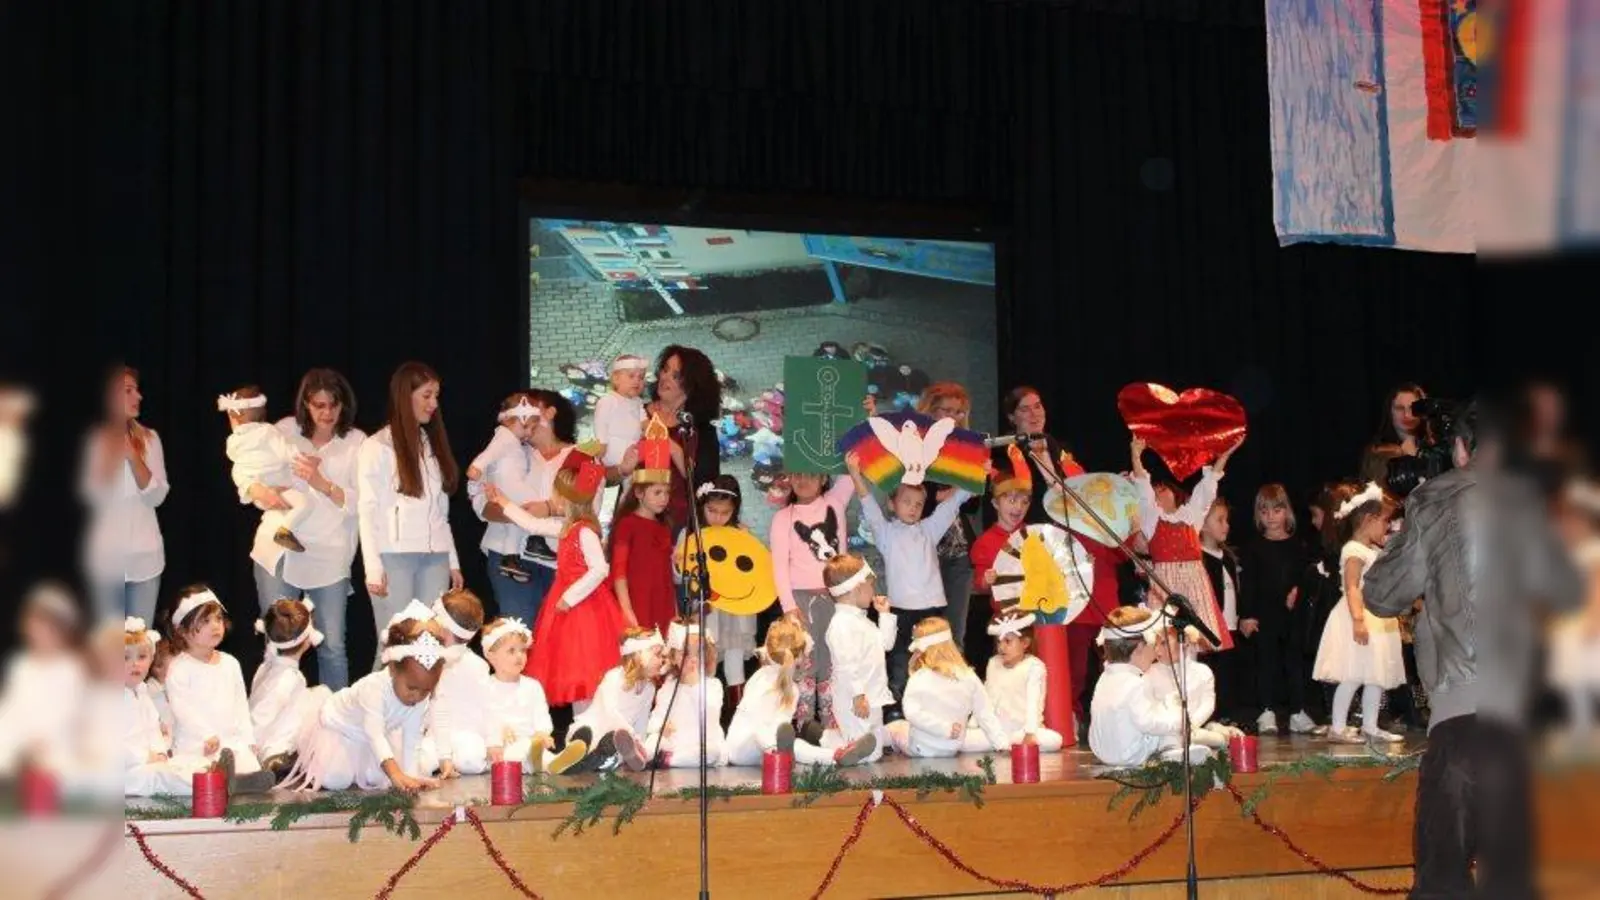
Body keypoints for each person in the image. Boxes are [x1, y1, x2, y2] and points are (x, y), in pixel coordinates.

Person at [1363, 399, 1583, 900]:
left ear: (1460, 448)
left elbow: (1380, 594)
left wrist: (1402, 535)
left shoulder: (1435, 499)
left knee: (1444, 888)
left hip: (1464, 726)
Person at [248, 368, 364, 691]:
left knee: (332, 647)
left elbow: (361, 503)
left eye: (334, 405)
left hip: (329, 555)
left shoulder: (356, 442)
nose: (327, 413)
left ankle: (335, 728)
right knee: (277, 643)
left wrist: (321, 483)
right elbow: (255, 479)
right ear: (306, 404)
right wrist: (266, 494)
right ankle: (271, 722)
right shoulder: (284, 431)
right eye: (319, 405)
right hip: (280, 549)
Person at [844, 451, 973, 719]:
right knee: (900, 663)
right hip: (902, 610)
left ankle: (944, 710)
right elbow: (867, 503)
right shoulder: (886, 533)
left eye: (918, 503)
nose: (913, 508)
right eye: (906, 501)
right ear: (892, 504)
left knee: (937, 661)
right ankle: (896, 714)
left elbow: (953, 504)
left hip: (933, 610)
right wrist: (855, 473)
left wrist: (976, 473)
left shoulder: (929, 529)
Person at [358, 362, 463, 663]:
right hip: (395, 557)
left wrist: (452, 560)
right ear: (406, 396)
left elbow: (441, 513)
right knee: (394, 644)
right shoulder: (376, 446)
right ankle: (378, 710)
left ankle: (423, 710)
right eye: (427, 395)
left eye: (436, 396)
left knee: (429, 645)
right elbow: (367, 510)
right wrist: (373, 567)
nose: (434, 404)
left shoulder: (431, 445)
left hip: (435, 558)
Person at [506, 454, 628, 705]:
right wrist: (503, 502)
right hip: (568, 605)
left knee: (587, 671)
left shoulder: (583, 531)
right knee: (574, 671)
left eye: (555, 491)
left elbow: (599, 569)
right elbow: (533, 525)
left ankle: (589, 729)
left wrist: (569, 598)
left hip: (585, 609)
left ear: (564, 498)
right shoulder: (568, 529)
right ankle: (581, 730)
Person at [282, 617, 446, 793]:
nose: (418, 696)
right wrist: (396, 773)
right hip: (340, 728)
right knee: (336, 780)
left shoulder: (419, 697)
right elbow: (375, 734)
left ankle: (359, 765)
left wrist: (410, 776)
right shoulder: (374, 689)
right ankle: (307, 756)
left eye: (426, 691)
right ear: (392, 668)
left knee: (378, 777)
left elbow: (411, 738)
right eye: (412, 688)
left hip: (368, 737)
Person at [1311, 483, 1406, 743]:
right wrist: (1358, 620)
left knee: (1376, 676)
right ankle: (1338, 728)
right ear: (1368, 519)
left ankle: (1370, 725)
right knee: (1352, 676)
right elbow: (1352, 586)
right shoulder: (1354, 550)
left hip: (1378, 617)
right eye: (1385, 521)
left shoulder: (1373, 550)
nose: (1387, 526)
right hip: (1359, 616)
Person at [471, 391, 575, 624]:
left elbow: (587, 508)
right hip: (508, 554)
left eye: (531, 411)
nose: (524, 422)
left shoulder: (581, 457)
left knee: (553, 637)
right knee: (518, 632)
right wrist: (515, 514)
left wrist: (548, 509)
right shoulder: (510, 447)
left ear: (549, 413)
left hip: (557, 560)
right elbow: (480, 502)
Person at [1130, 435, 1241, 651]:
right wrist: (1136, 455)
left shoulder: (1191, 516)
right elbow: (1143, 486)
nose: (1159, 491)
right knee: (1165, 646)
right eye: (1156, 489)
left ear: (1176, 493)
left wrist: (1223, 456)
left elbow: (1207, 486)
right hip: (1166, 587)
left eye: (1164, 487)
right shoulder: (1152, 520)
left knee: (1193, 644)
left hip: (1194, 582)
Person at [162, 585, 276, 793]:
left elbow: (241, 704)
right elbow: (183, 710)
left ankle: (234, 781)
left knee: (247, 764)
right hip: (198, 743)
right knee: (191, 773)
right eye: (205, 621)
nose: (215, 626)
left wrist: (248, 739)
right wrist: (206, 736)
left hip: (229, 743)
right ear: (183, 631)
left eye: (218, 619)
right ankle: (225, 781)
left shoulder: (230, 663)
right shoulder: (179, 667)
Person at [768, 465, 856, 729]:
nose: (802, 479)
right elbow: (779, 565)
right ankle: (804, 721)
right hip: (800, 598)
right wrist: (789, 606)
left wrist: (865, 423)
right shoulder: (783, 517)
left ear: (823, 477)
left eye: (810, 473)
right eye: (797, 473)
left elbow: (851, 471)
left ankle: (832, 720)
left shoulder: (835, 502)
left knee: (832, 656)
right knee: (806, 659)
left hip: (835, 596)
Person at [723, 618, 877, 767]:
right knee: (777, 737)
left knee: (797, 744)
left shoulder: (780, 684)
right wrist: (774, 747)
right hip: (744, 747)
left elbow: (780, 727)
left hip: (759, 749)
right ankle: (784, 754)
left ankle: (836, 755)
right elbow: (756, 728)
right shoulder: (765, 681)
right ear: (799, 657)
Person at [81, 365, 169, 624]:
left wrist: (133, 456)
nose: (138, 397)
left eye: (137, 390)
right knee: (108, 646)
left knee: (139, 643)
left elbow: (157, 497)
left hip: (145, 560)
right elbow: (92, 496)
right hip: (106, 561)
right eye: (128, 390)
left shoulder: (150, 439)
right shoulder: (92, 440)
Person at [1238, 484, 1317, 736]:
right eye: (1264, 511)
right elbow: (1248, 583)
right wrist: (1247, 615)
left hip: (1293, 614)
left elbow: (1306, 577)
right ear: (1258, 515)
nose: (1271, 517)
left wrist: (1298, 591)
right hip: (1264, 613)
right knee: (1266, 662)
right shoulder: (1253, 546)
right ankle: (1267, 710)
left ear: (1287, 512)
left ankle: (1297, 711)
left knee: (1294, 661)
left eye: (1276, 510)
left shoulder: (1299, 545)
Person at [885, 617, 1010, 757]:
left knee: (894, 727)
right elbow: (985, 713)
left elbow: (912, 714)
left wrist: (944, 729)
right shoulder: (969, 676)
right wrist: (1002, 744)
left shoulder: (920, 677)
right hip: (951, 749)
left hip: (922, 748)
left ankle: (877, 744)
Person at [476, 617, 586, 774]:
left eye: (523, 650)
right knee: (519, 752)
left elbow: (541, 716)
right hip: (501, 750)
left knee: (538, 751)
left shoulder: (532, 686)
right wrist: (495, 738)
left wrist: (542, 733)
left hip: (532, 743)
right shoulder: (486, 687)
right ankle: (546, 763)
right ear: (491, 656)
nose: (519, 656)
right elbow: (482, 720)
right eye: (511, 651)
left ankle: (555, 762)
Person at [1086, 606, 1192, 767]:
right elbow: (1148, 723)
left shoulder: (1105, 677)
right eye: (1154, 645)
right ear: (1140, 647)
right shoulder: (1135, 683)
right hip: (1130, 755)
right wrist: (1178, 723)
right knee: (1169, 724)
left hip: (1104, 752)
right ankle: (1174, 758)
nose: (1157, 652)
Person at [465, 393, 544, 595]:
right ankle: (536, 539)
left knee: (514, 519)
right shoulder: (505, 437)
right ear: (518, 420)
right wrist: (476, 468)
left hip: (508, 486)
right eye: (528, 428)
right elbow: (488, 455)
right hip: (509, 484)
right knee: (535, 503)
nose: (529, 433)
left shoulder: (517, 442)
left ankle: (510, 557)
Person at [822, 554, 896, 763]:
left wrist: (885, 615)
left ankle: (830, 738)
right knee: (866, 755)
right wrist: (857, 695)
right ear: (857, 589)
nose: (874, 592)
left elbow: (886, 644)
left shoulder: (864, 621)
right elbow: (846, 666)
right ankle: (828, 746)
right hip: (855, 701)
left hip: (873, 696)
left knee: (875, 750)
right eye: (871, 587)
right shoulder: (841, 625)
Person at [218, 386, 311, 553]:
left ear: (235, 418)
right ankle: (284, 531)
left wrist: (254, 489)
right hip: (277, 487)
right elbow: (285, 451)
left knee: (291, 507)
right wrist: (303, 458)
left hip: (258, 496)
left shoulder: (232, 442)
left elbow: (238, 468)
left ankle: (286, 530)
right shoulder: (268, 431)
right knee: (305, 503)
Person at [563, 627, 667, 773]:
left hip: (622, 738)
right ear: (640, 656)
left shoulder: (649, 687)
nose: (662, 661)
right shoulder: (614, 677)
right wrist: (631, 735)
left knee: (621, 745)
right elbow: (610, 712)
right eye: (657, 655)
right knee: (595, 737)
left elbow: (642, 720)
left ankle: (603, 759)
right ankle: (580, 754)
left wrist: (639, 741)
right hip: (597, 728)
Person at [642, 346, 721, 532]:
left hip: (678, 528)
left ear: (692, 386)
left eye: (676, 376)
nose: (665, 378)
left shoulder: (701, 430)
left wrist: (671, 446)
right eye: (665, 369)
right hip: (634, 518)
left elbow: (705, 484)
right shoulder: (637, 414)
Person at [630, 620, 725, 770]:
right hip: (674, 743)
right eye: (685, 653)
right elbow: (655, 718)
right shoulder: (668, 687)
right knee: (655, 739)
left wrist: (694, 685)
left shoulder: (712, 685)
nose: (692, 659)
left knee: (712, 752)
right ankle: (642, 755)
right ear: (673, 657)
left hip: (700, 744)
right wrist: (660, 727)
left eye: (697, 653)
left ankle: (668, 761)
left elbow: (710, 714)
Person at [248, 597, 324, 777]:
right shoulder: (288, 678)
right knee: (322, 699)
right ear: (306, 641)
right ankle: (276, 759)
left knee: (315, 696)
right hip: (273, 744)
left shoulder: (266, 666)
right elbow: (262, 715)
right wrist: (250, 748)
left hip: (269, 735)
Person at [609, 448, 678, 635]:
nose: (664, 499)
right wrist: (626, 609)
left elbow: (666, 577)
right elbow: (619, 572)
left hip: (662, 604)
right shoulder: (627, 525)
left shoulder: (663, 527)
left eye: (666, 492)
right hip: (636, 601)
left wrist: (675, 611)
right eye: (657, 492)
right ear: (639, 493)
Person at [423, 588, 490, 779]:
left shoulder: (478, 666)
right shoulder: (426, 660)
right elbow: (431, 709)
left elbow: (486, 707)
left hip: (467, 736)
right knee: (419, 761)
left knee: (471, 760)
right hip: (433, 737)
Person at [1359, 383, 1428, 485]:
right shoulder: (1376, 451)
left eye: (1413, 408)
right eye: (1400, 408)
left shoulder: (1433, 447)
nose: (1407, 415)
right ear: (1390, 411)